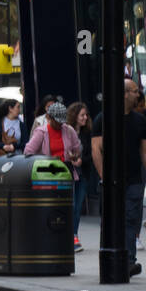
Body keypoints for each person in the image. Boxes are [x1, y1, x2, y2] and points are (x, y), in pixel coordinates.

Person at [93, 78, 146, 276]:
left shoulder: (139, 120)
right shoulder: (104, 118)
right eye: (135, 91)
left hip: (134, 179)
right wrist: (104, 176)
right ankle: (109, 258)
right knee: (111, 220)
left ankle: (129, 261)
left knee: (130, 218)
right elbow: (97, 148)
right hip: (111, 180)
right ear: (125, 93)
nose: (138, 95)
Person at [25, 101, 83, 250]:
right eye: (57, 122)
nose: (60, 125)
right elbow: (28, 151)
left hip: (66, 171)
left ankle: (70, 236)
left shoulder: (68, 130)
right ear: (49, 118)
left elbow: (77, 149)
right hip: (47, 173)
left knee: (70, 206)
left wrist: (75, 155)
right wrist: (44, 161)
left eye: (62, 121)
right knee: (49, 206)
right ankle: (48, 236)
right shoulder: (41, 131)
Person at [66, 101, 91, 251]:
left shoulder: (87, 133)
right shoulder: (67, 132)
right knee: (72, 204)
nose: (85, 118)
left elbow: (91, 153)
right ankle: (70, 235)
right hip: (69, 171)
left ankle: (74, 233)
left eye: (86, 115)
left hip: (82, 172)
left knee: (78, 205)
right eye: (82, 115)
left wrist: (82, 161)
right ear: (74, 116)